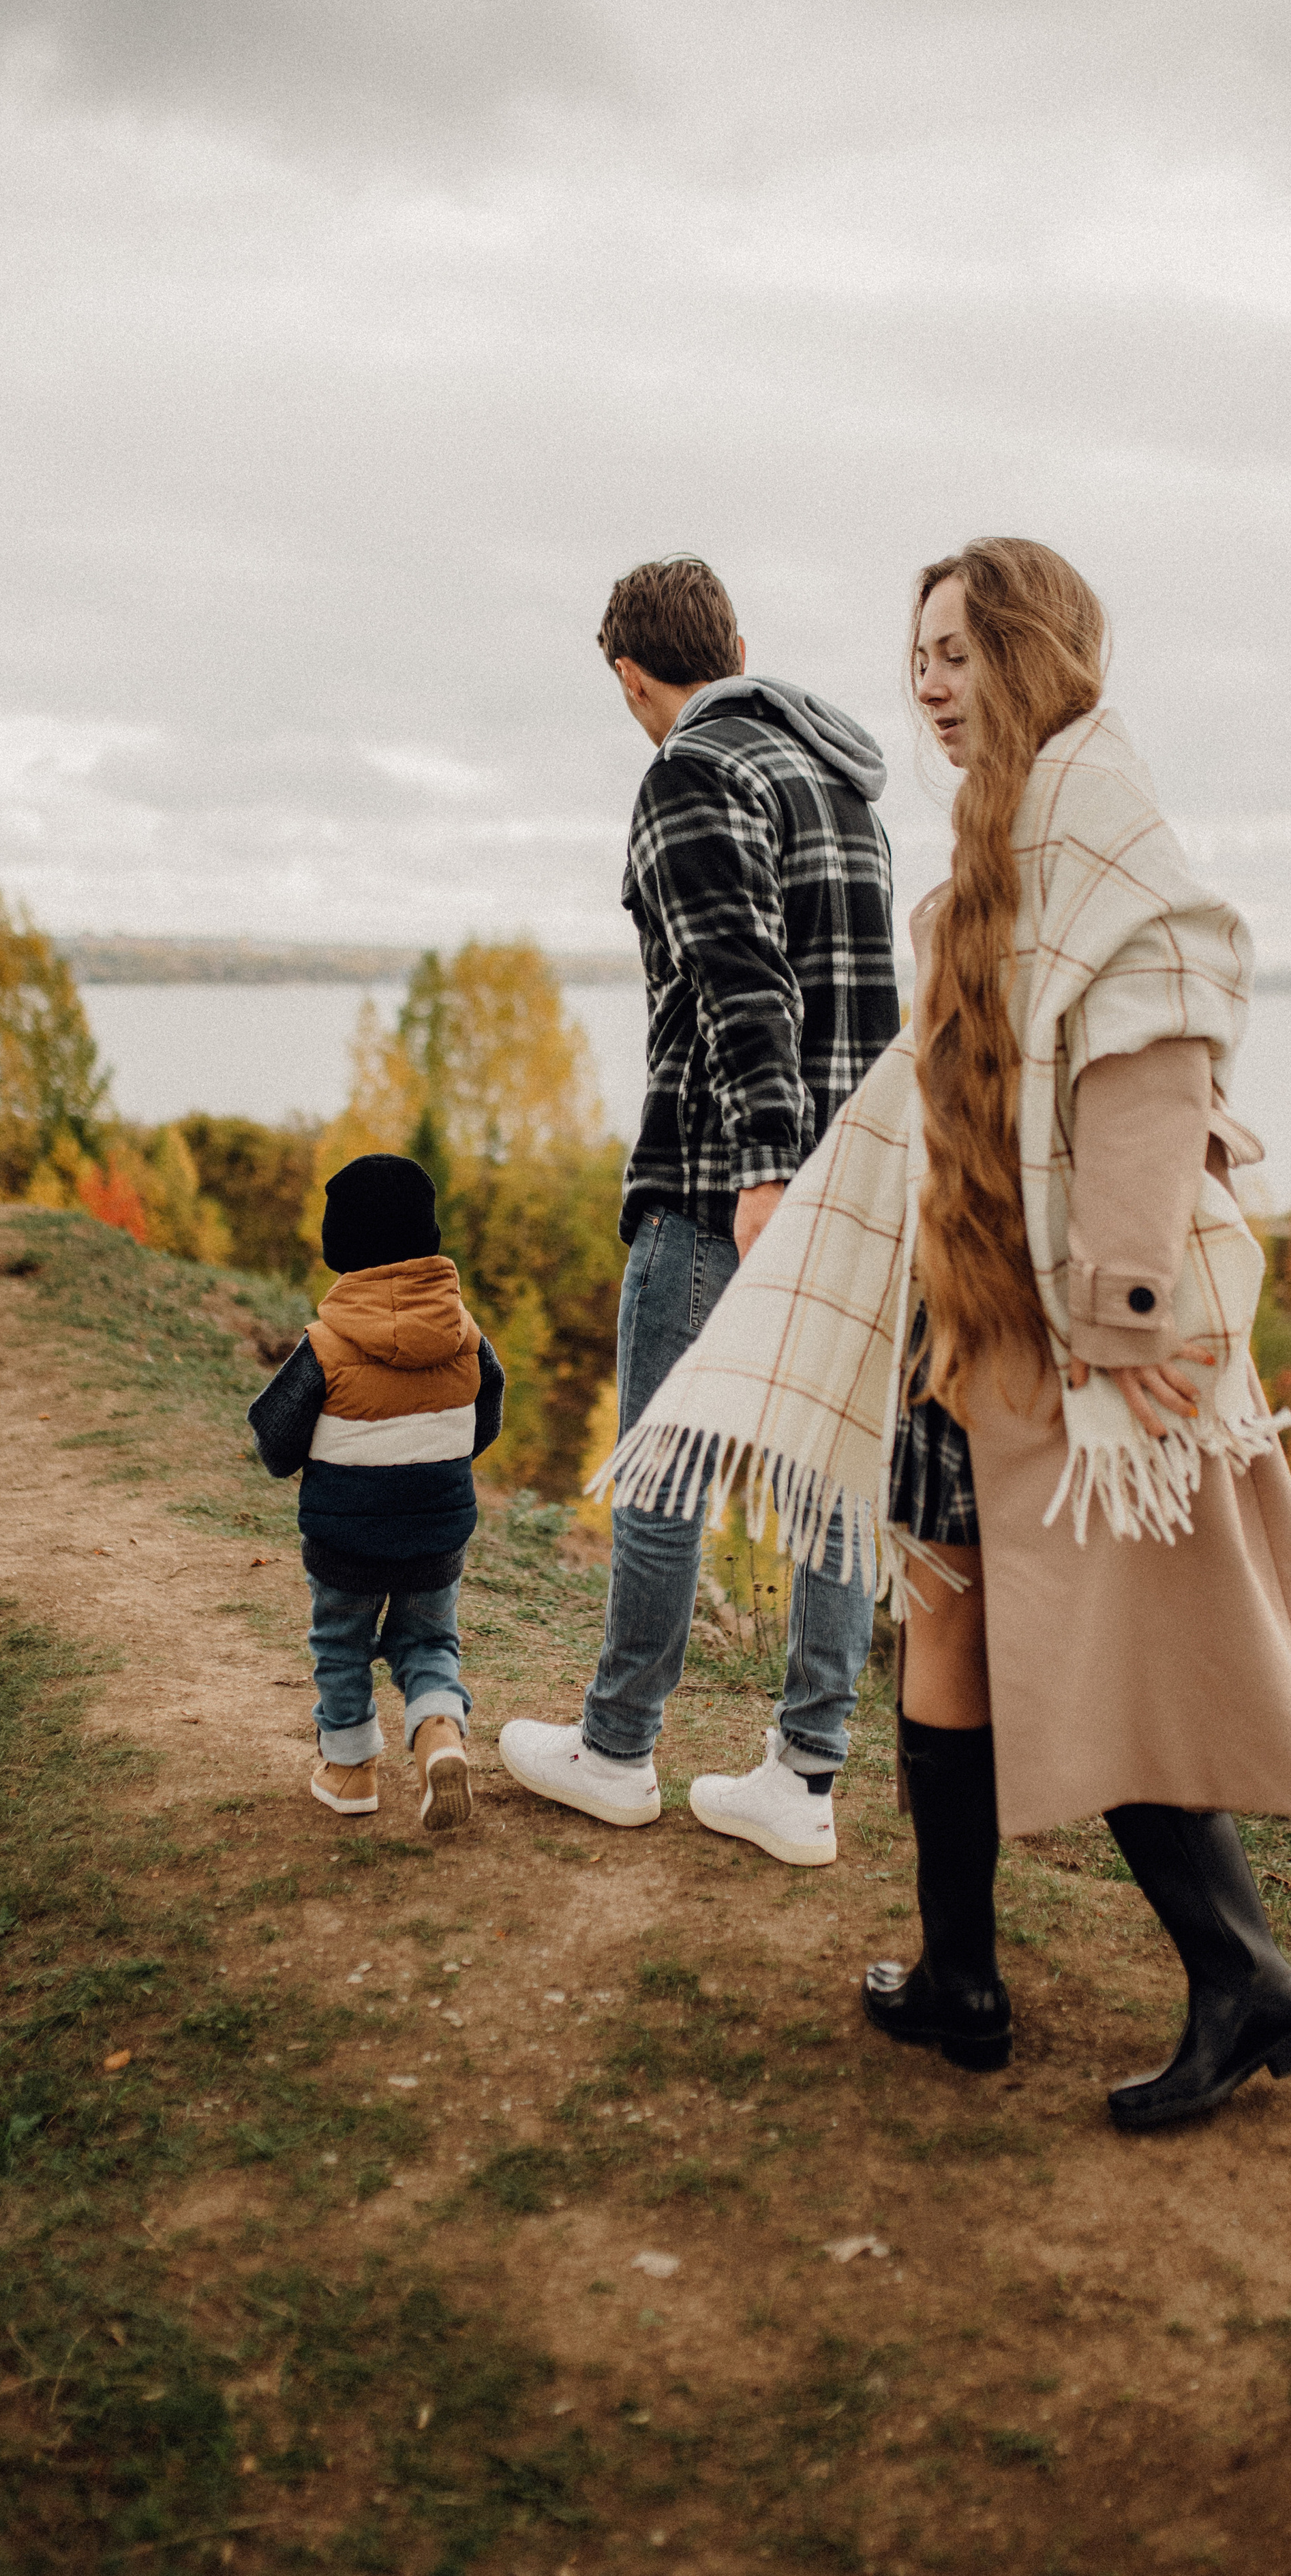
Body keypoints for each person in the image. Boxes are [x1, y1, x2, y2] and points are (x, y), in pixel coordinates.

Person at [594, 539, 1291, 2128]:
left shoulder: (1093, 822)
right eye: (919, 655)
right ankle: (960, 1980)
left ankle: (1242, 1978)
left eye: (958, 652)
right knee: (941, 1615)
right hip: (969, 1314)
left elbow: (1150, 1058)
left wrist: (1124, 1308)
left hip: (1067, 1334)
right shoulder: (997, 834)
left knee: (1096, 1637)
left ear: (1031, 651)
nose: (929, 683)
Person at [497, 554, 901, 1865]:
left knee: (664, 1460)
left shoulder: (691, 770)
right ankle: (804, 1774)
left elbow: (741, 982)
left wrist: (763, 1167)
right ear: (730, 644)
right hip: (858, 1178)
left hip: (721, 1181)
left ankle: (617, 1748)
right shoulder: (839, 779)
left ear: (632, 675)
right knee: (835, 1470)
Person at [247, 1154, 504, 1832]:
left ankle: (351, 1771)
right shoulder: (468, 1339)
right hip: (436, 1537)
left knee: (341, 1643)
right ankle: (439, 1734)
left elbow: (276, 1442)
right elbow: (484, 1423)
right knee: (429, 1640)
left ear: (341, 1244)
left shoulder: (324, 1347)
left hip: (345, 1542)